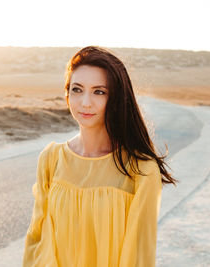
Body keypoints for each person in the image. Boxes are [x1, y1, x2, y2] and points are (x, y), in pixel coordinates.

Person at [23, 46, 176, 267]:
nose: (85, 102)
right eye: (77, 89)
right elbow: (36, 241)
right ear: (67, 95)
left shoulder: (141, 169)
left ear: (116, 99)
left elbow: (139, 257)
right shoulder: (51, 159)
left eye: (99, 91)